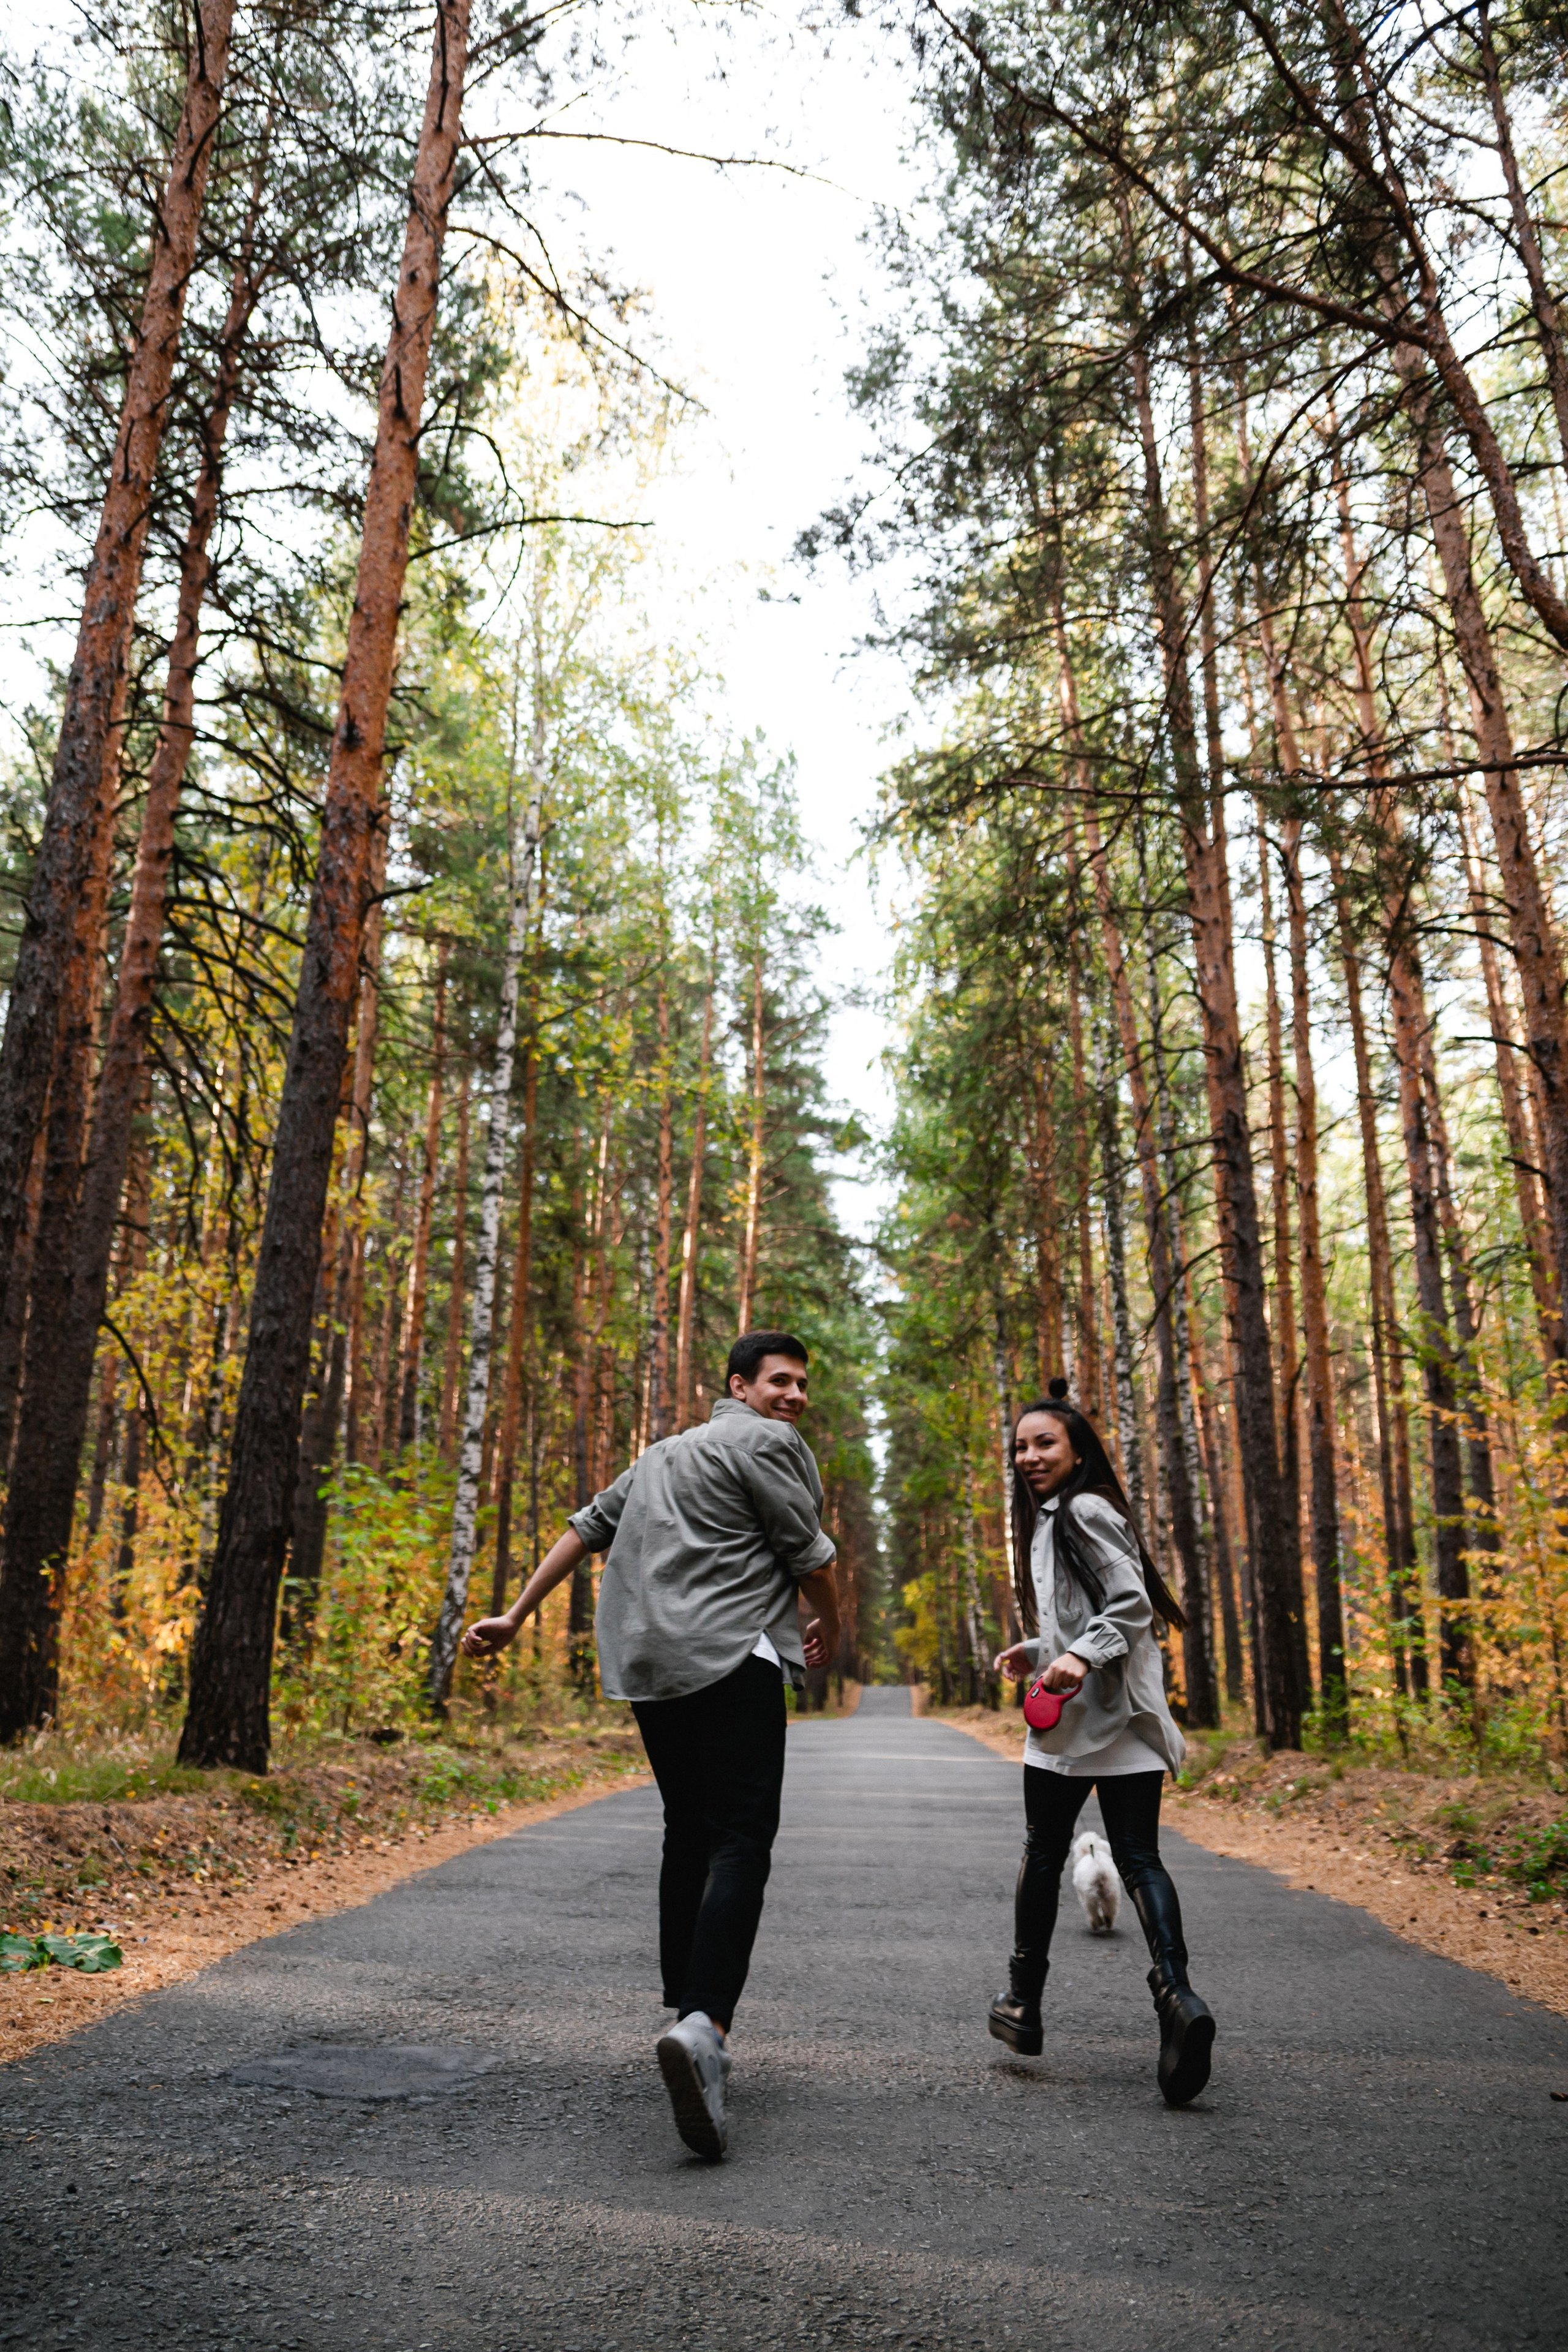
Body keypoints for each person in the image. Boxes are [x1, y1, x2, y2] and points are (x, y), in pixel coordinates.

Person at [461, 1329, 840, 2161]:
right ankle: (705, 2025)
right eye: (780, 1380)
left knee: (689, 1831)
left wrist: (516, 1614)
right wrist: (831, 1624)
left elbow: (586, 1527)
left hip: (648, 1662)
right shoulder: (773, 1443)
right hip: (732, 1654)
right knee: (742, 1836)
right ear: (739, 1386)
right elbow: (808, 1554)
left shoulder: (663, 1453)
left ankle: (686, 2019)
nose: (795, 1396)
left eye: (803, 1384)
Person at [987, 1376, 1215, 2107]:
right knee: (1140, 1858)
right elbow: (1083, 1612)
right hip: (1113, 1718)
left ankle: (1023, 2004)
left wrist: (1079, 1658)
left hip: (1087, 1718)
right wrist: (1038, 1646)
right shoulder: (1057, 1516)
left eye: (1044, 1442)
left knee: (1043, 1852)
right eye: (1019, 1446)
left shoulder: (1082, 1508)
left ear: (1078, 1449)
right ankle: (1175, 1996)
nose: (1028, 1456)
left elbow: (1129, 1604)